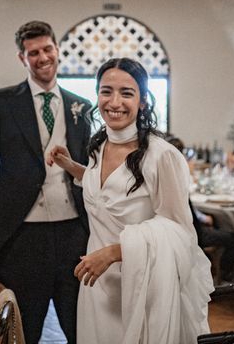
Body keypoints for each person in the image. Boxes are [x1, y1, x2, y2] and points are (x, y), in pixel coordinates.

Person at [48, 57, 213, 343]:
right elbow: (106, 190)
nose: (114, 102)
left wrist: (114, 252)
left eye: (127, 93)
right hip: (97, 284)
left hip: (141, 285)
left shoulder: (162, 155)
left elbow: (179, 231)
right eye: (106, 91)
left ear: (144, 101)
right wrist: (71, 166)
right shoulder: (98, 145)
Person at [0, 21, 92, 344]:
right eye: (33, 53)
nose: (42, 57)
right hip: (21, 237)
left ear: (57, 51)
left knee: (82, 329)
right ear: (22, 58)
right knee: (21, 331)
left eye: (48, 49)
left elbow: (91, 173)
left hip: (74, 234)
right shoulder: (1, 103)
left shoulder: (82, 107)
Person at [166, 135, 234, 283]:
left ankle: (212, 273)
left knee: (214, 223)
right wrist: (202, 218)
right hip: (192, 233)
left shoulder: (168, 175)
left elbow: (186, 206)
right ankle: (224, 278)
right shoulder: (178, 177)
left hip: (178, 230)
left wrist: (202, 217)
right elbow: (185, 207)